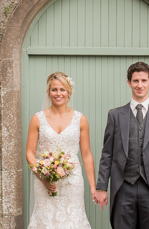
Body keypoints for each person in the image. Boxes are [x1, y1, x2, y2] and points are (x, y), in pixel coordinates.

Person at [94, 61, 149, 229]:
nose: (140, 85)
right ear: (129, 82)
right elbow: (107, 154)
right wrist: (101, 187)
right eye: (136, 81)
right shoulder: (115, 115)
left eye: (144, 81)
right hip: (123, 187)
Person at [26, 72, 96, 229]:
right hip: (45, 181)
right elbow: (29, 154)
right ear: (49, 92)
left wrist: (93, 186)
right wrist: (43, 177)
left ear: (69, 92)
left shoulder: (80, 119)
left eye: (62, 90)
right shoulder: (37, 119)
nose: (58, 94)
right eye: (54, 90)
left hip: (73, 182)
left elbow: (86, 155)